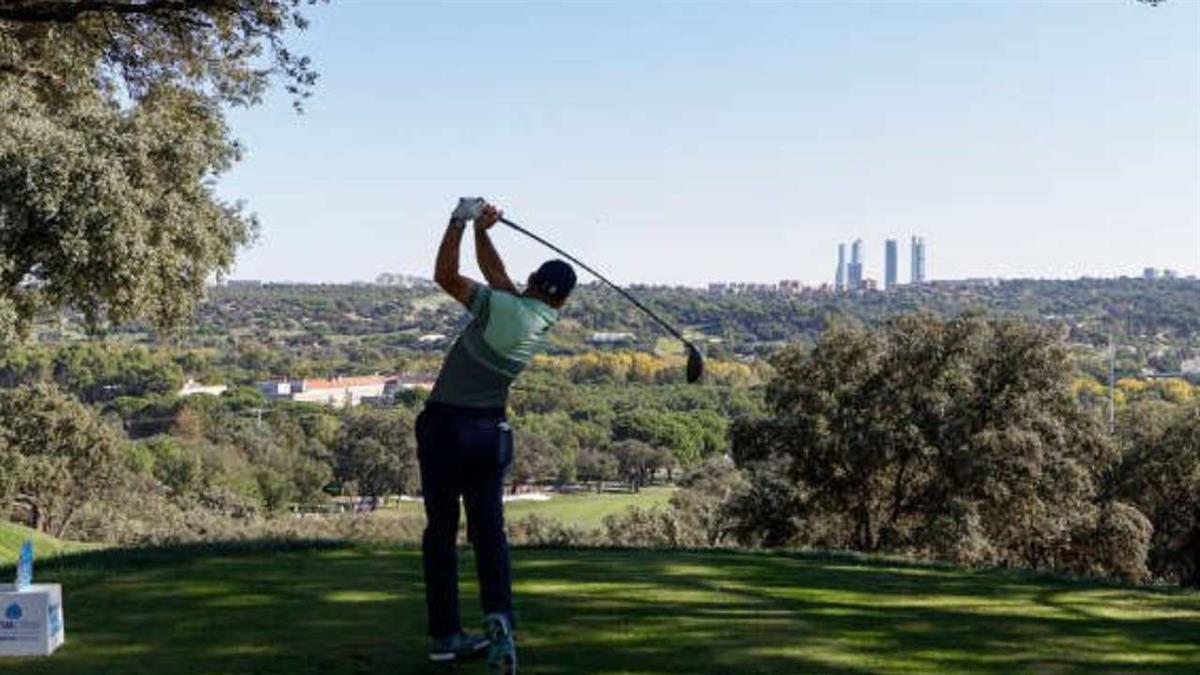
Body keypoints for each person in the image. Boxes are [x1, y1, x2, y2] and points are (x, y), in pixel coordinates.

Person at [416, 198, 576, 672]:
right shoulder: (541, 319)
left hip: (445, 426)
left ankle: (446, 635)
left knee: (441, 535)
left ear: (531, 285)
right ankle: (499, 619)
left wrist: (458, 222)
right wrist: (487, 232)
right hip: (491, 434)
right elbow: (500, 278)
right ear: (561, 300)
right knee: (490, 535)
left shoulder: (504, 305)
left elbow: (446, 276)